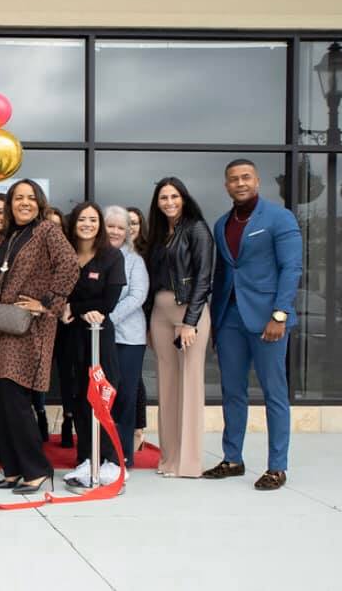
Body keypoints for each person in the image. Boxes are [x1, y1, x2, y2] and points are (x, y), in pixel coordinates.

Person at [204, 159, 302, 491]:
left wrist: (280, 314)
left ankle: (277, 466)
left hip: (267, 319)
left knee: (274, 392)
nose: (240, 183)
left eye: (246, 177)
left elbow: (291, 268)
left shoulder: (279, 218)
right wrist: (215, 321)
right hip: (229, 318)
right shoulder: (221, 224)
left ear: (257, 181)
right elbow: (222, 272)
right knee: (232, 391)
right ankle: (233, 459)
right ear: (226, 185)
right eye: (233, 179)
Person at [0, 180, 78, 494]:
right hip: (2, 325)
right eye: (18, 198)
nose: (24, 203)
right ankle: (13, 469)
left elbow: (69, 265)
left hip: (29, 327)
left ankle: (36, 469)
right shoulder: (9, 236)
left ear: (39, 202)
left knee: (16, 399)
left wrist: (48, 303)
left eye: (29, 197)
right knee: (0, 402)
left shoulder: (47, 231)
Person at [144, 177, 214, 479]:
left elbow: (203, 278)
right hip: (159, 313)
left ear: (183, 198)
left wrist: (190, 321)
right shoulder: (160, 235)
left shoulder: (197, 229)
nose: (169, 202)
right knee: (167, 387)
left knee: (190, 386)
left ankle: (189, 463)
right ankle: (169, 459)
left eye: (174, 196)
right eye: (163, 198)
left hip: (188, 311)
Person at [58, 202, 127, 488]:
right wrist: (69, 306)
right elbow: (55, 290)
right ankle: (86, 457)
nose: (87, 224)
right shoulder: (65, 254)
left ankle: (110, 460)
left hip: (98, 336)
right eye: (82, 219)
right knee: (77, 397)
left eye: (93, 219)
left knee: (101, 396)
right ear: (73, 223)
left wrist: (73, 304)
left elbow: (108, 303)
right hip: (70, 336)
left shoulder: (111, 256)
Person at [104, 205, 149, 468]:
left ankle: (122, 455)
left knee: (125, 396)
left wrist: (109, 319)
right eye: (111, 226)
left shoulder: (134, 260)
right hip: (98, 337)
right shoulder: (95, 256)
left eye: (121, 228)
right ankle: (102, 452)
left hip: (128, 339)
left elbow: (137, 296)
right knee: (102, 396)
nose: (116, 232)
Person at [44, 206, 75, 446]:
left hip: (64, 326)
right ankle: (40, 417)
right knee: (39, 375)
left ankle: (68, 418)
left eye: (58, 225)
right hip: (39, 323)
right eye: (48, 224)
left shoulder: (68, 254)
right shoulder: (33, 253)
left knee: (66, 375)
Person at [126, 205, 151, 450]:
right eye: (126, 222)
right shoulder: (114, 252)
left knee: (136, 379)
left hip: (140, 319)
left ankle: (138, 428)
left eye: (134, 222)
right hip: (119, 323)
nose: (130, 227)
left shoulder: (147, 253)